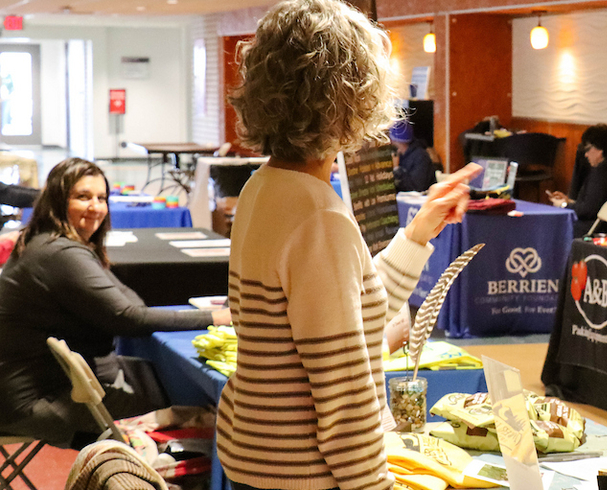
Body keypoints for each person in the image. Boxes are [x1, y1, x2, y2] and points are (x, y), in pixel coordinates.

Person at [217, 1, 477, 489]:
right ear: (349, 98)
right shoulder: (317, 216)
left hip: (257, 458)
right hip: (302, 473)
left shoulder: (263, 187)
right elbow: (344, 393)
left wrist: (418, 232)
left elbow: (350, 317)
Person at [0, 157, 230, 449]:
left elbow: (130, 304)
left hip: (39, 387)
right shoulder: (59, 254)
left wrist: (132, 312)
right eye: (83, 197)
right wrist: (215, 317)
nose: (95, 207)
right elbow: (131, 318)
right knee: (191, 399)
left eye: (101, 198)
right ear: (57, 202)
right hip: (36, 401)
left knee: (167, 379)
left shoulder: (51, 243)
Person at [547, 124, 607, 236]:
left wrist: (563, 205)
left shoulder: (602, 172)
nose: (585, 154)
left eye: (588, 149)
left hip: (593, 228)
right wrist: (569, 201)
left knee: (551, 225)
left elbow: (587, 211)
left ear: (599, 149)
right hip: (604, 225)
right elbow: (594, 204)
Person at [390, 120, 437, 193]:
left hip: (422, 201)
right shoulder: (399, 155)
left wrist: (396, 169)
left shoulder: (420, 156)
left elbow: (416, 187)